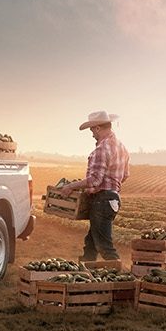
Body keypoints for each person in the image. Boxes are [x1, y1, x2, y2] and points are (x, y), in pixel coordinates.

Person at [57, 111, 130, 262]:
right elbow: (125, 175)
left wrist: (71, 186)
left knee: (104, 246)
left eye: (92, 130)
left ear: (97, 128)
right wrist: (111, 184)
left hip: (102, 201)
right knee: (91, 244)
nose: (92, 134)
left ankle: (120, 278)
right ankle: (85, 274)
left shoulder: (102, 149)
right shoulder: (121, 147)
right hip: (113, 200)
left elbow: (95, 180)